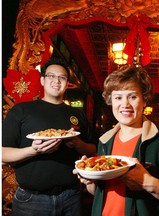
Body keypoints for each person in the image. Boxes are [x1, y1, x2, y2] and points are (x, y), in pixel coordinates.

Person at [73, 66, 159, 216]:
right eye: (118, 97)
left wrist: (147, 182)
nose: (125, 104)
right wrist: (90, 181)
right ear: (111, 102)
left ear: (144, 101)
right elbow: (102, 193)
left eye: (132, 96)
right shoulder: (105, 141)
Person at [2, 57, 97, 216]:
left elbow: (93, 149)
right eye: (51, 76)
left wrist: (77, 143)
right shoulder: (22, 110)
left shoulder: (77, 114)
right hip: (31, 199)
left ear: (67, 84)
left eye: (62, 77)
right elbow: (2, 155)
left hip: (71, 197)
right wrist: (33, 150)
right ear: (42, 80)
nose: (56, 81)